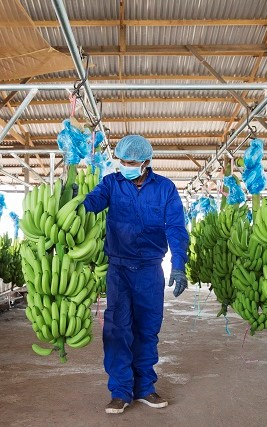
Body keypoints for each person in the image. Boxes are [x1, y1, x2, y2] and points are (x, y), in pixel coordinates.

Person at [82, 135, 189, 414]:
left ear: (146, 162)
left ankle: (144, 388)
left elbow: (176, 227)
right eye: (122, 162)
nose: (125, 166)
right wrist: (77, 202)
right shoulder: (111, 184)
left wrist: (179, 264)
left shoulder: (165, 189)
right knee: (117, 330)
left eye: (131, 162)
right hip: (118, 269)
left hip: (150, 269)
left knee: (147, 330)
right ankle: (120, 391)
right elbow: (94, 202)